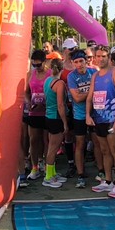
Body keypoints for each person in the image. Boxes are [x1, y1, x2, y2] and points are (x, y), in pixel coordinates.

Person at [87, 46, 115, 198]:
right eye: (98, 56)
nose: (101, 58)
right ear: (95, 58)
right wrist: (87, 115)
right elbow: (90, 97)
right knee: (104, 151)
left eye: (104, 56)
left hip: (112, 119)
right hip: (98, 119)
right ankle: (108, 180)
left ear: (108, 57)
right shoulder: (95, 75)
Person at [65, 49, 95, 188]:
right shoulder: (71, 76)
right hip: (79, 115)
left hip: (96, 113)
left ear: (86, 61)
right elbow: (76, 98)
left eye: (81, 61)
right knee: (80, 144)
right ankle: (81, 175)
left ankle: (102, 172)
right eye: (76, 62)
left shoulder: (93, 72)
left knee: (99, 144)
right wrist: (92, 92)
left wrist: (85, 93)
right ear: (72, 63)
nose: (79, 65)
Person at [41, 58, 70, 188]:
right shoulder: (60, 84)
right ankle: (48, 177)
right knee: (53, 148)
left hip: (48, 116)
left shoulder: (47, 81)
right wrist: (65, 123)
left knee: (52, 146)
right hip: (56, 118)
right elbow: (60, 105)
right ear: (62, 69)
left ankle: (51, 173)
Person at [23, 49, 50, 181]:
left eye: (39, 65)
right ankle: (35, 167)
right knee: (33, 139)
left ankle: (46, 164)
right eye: (34, 65)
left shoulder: (50, 74)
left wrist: (45, 102)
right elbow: (26, 92)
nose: (36, 67)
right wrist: (29, 102)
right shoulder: (30, 74)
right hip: (34, 112)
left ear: (45, 62)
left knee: (46, 140)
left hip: (47, 111)